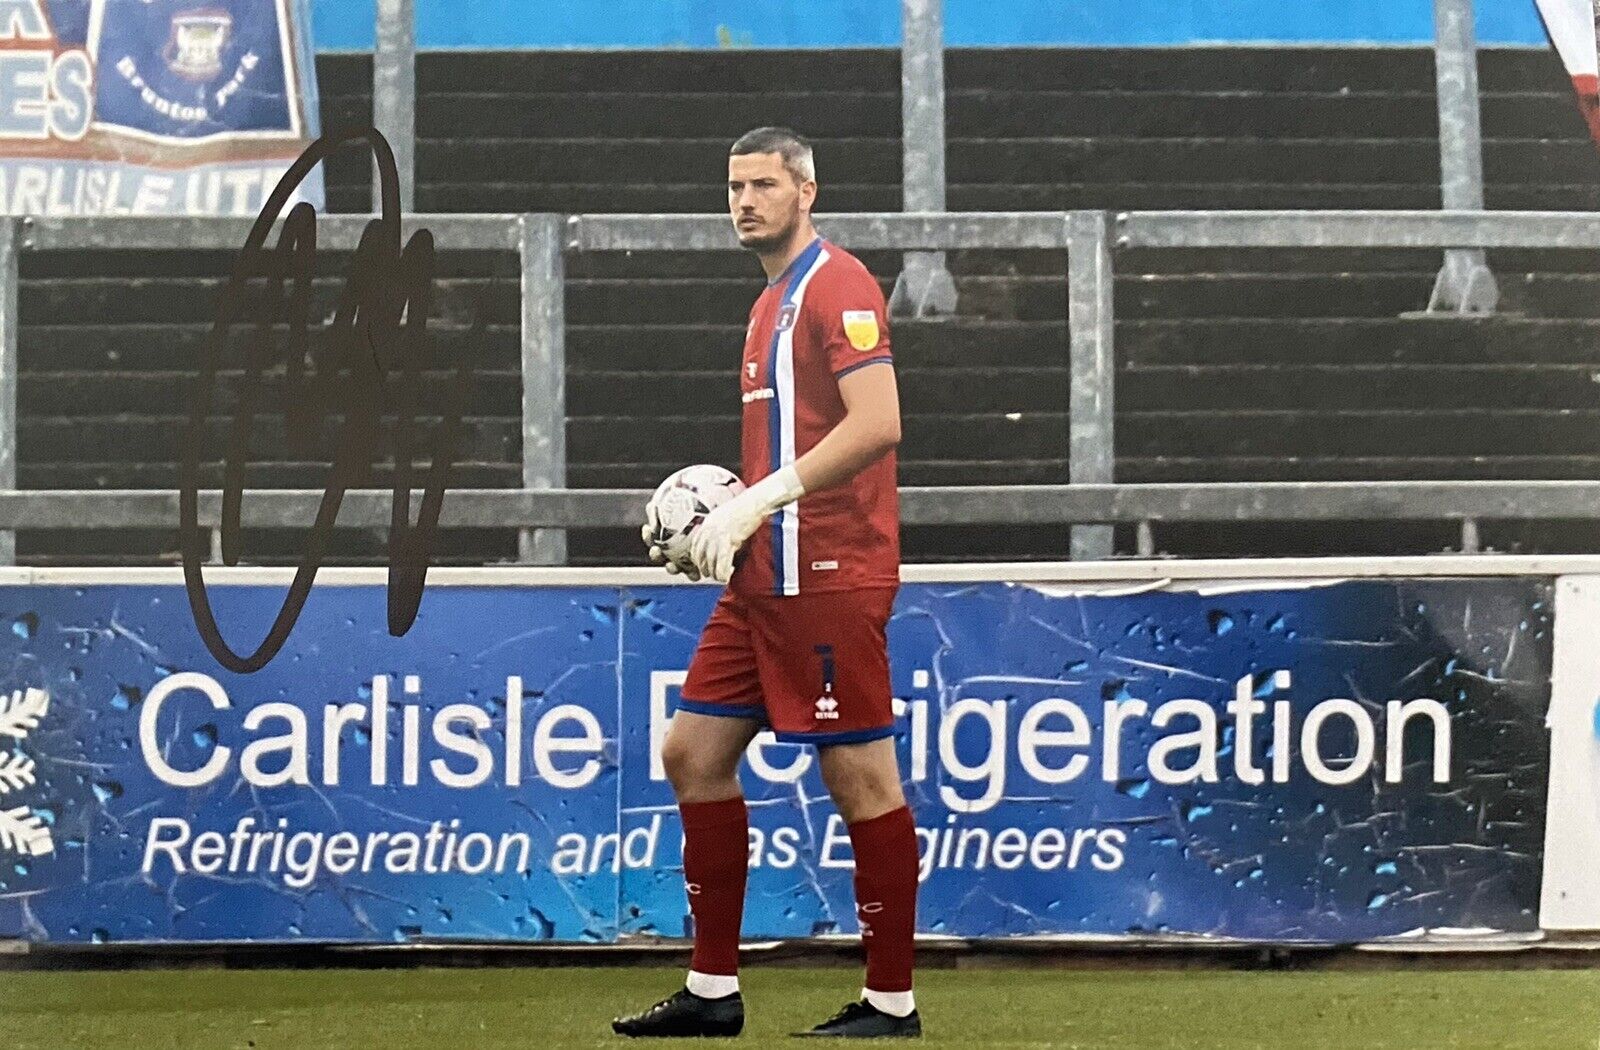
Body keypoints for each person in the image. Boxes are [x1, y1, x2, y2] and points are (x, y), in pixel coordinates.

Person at [613, 127, 921, 1039]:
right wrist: (717, 521)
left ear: (807, 191)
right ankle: (713, 991)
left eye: (763, 184)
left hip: (827, 571)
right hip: (761, 578)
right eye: (734, 186)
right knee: (692, 755)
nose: (744, 200)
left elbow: (879, 422)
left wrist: (757, 506)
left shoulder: (841, 286)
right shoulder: (767, 305)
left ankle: (890, 1004)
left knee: (860, 779)